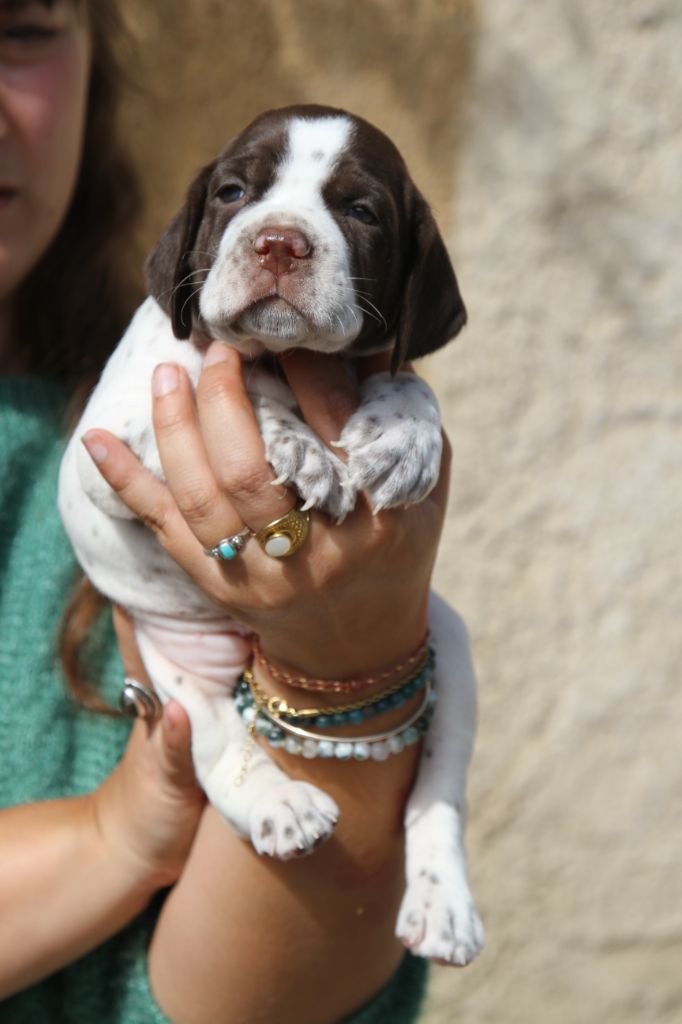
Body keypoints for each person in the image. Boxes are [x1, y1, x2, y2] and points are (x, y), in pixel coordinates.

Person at [0, 1, 454, 1021]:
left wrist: (349, 666)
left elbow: (263, 999)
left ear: (96, 64)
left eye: (20, 29)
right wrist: (113, 837)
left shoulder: (228, 390)